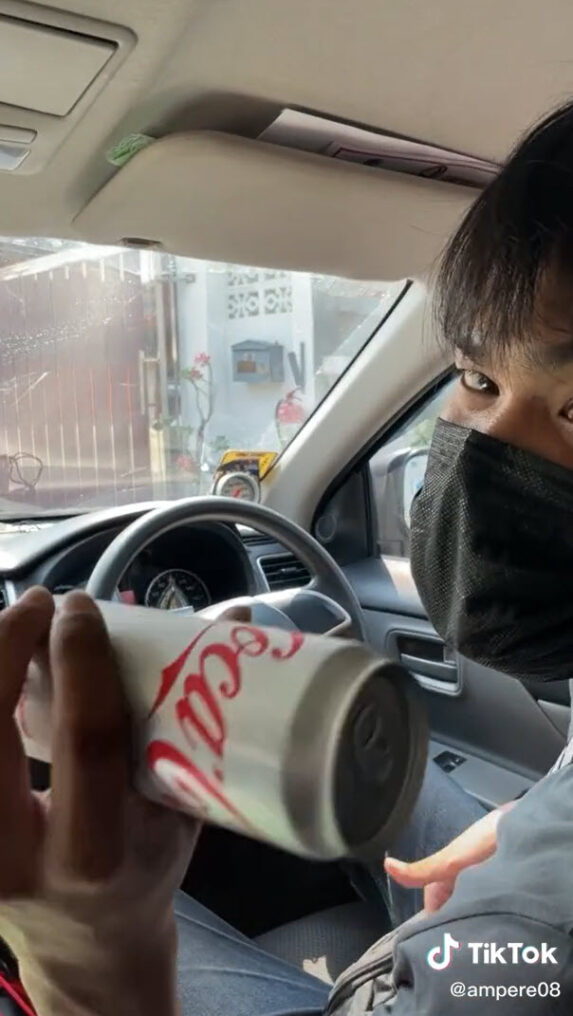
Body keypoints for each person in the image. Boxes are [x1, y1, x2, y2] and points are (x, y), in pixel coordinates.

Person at [6, 98, 573, 1013]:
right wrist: (531, 822)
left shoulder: (541, 947)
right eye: (475, 378)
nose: (485, 454)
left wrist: (90, 962)